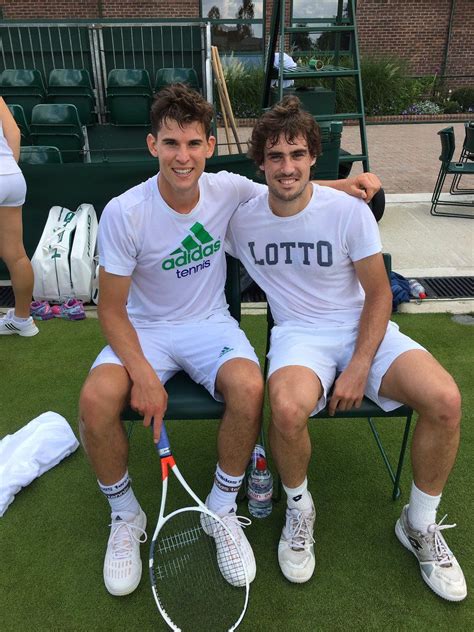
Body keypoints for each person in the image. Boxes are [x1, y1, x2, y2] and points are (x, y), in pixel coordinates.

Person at [78, 83, 382, 597]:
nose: (183, 156)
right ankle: (126, 516)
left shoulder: (227, 189)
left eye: (194, 144)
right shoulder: (123, 212)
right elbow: (110, 310)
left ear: (210, 146)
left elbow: (289, 188)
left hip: (208, 324)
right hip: (144, 330)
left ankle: (221, 508)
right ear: (153, 145)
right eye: (171, 144)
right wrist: (146, 376)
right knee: (94, 400)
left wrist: (347, 186)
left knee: (249, 387)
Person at [226, 96, 467, 601]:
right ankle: (299, 507)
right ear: (261, 164)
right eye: (275, 156)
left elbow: (380, 295)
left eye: (296, 154)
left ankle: (419, 524)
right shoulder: (241, 218)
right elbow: (188, 211)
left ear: (314, 156)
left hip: (362, 329)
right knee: (287, 408)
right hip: (299, 335)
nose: (286, 167)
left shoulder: (348, 213)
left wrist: (360, 365)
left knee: (445, 400)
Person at [0, 97, 38, 337]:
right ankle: (23, 320)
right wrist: (7, 168)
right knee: (16, 255)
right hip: (10, 174)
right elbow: (13, 131)